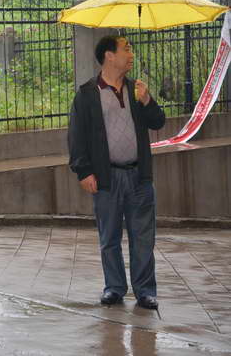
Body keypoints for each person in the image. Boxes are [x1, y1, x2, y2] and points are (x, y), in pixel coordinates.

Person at [68, 35, 165, 310]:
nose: (131, 54)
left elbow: (158, 122)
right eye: (126, 49)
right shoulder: (87, 93)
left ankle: (145, 291)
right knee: (109, 237)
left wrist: (147, 100)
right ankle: (114, 287)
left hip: (139, 176)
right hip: (106, 177)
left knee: (143, 237)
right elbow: (76, 136)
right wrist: (83, 171)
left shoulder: (137, 90)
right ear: (109, 56)